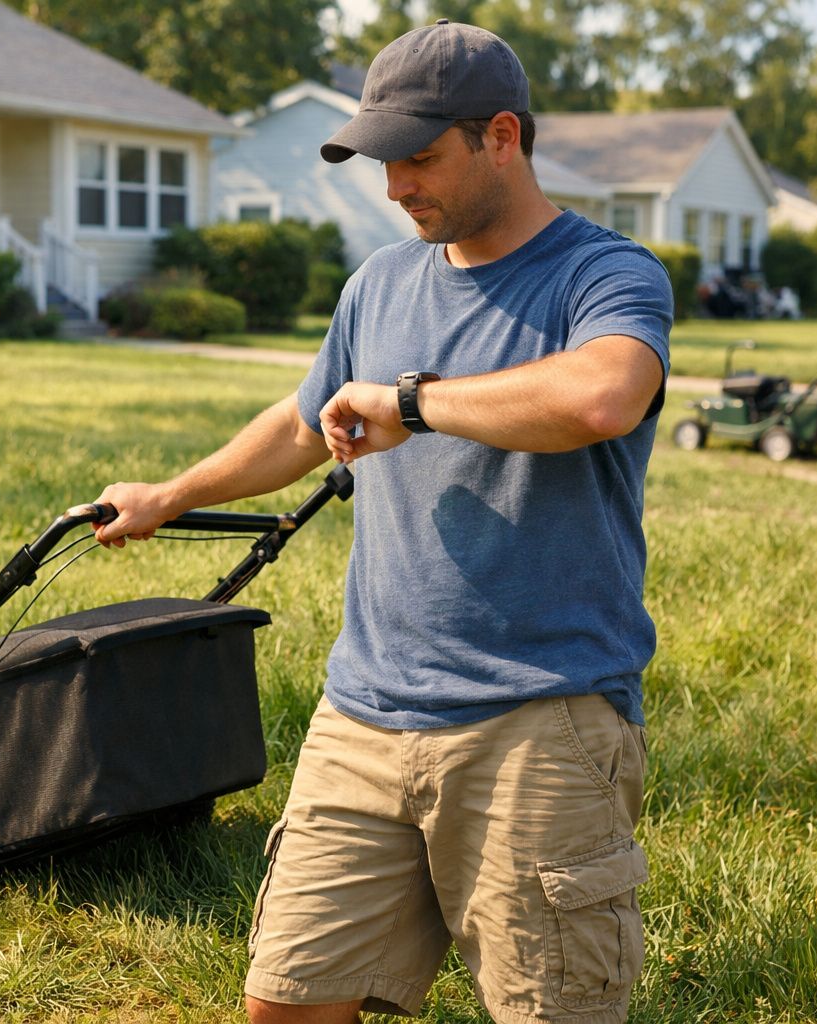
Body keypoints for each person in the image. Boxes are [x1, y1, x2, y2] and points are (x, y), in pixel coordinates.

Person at [95, 21, 672, 1024]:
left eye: (418, 157)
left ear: (503, 135)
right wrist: (170, 495)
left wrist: (412, 402)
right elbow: (301, 422)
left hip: (541, 717)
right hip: (364, 712)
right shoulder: (381, 281)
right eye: (382, 163)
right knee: (287, 1001)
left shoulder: (604, 273)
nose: (396, 187)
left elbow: (601, 397)